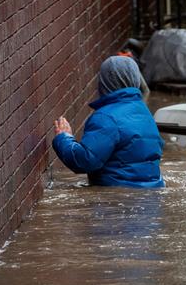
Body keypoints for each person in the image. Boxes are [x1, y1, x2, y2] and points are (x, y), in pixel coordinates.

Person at [52, 56, 165, 188]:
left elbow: (85, 161)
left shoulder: (105, 117)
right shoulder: (144, 111)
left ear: (104, 81)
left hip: (119, 198)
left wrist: (64, 139)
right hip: (152, 194)